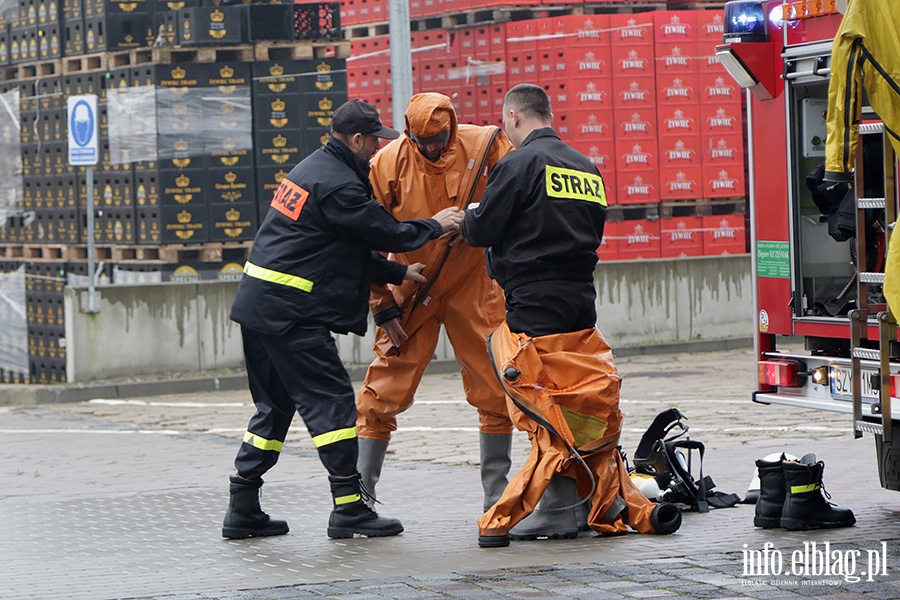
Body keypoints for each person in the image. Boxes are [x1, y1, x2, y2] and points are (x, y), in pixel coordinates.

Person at [223, 99, 464, 540]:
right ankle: (350, 507)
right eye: (374, 140)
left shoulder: (311, 170)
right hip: (291, 315)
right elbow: (384, 231)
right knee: (333, 404)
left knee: (275, 408)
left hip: (259, 308)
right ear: (356, 139)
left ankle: (243, 504)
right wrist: (435, 224)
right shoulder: (338, 184)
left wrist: (396, 272)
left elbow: (338, 247)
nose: (377, 149)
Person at [461, 84, 682, 547]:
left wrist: (463, 216)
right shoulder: (586, 167)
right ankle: (585, 499)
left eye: (506, 122)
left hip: (533, 302)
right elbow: (593, 228)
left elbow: (482, 229)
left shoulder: (517, 164)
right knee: (575, 399)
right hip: (581, 302)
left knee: (541, 401)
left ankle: (556, 507)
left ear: (515, 117)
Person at [355, 92, 516, 515]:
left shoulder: (486, 145)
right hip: (412, 286)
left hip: (474, 287)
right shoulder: (386, 164)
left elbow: (516, 198)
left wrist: (479, 226)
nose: (430, 147)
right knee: (380, 393)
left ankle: (496, 501)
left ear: (453, 127)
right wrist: (382, 305)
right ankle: (356, 500)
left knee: (495, 389)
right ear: (408, 133)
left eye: (438, 139)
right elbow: (364, 237)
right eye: (421, 140)